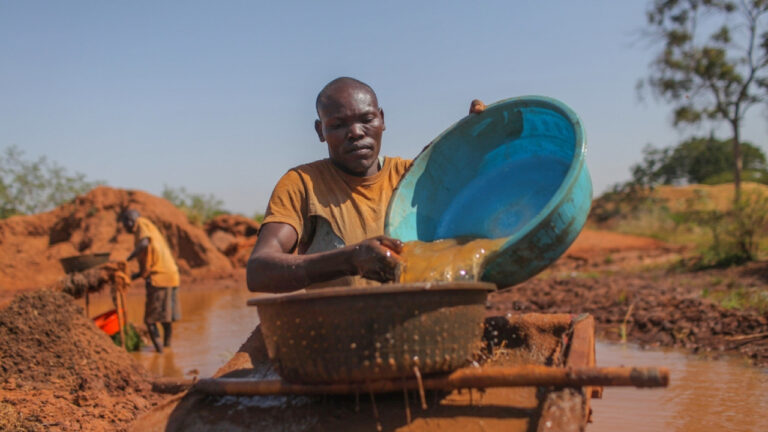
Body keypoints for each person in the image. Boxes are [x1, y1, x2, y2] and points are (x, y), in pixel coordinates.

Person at [247, 77, 485, 292]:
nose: (355, 133)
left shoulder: (411, 177)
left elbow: (472, 201)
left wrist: (471, 136)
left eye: (367, 119)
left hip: (414, 325)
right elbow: (259, 272)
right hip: (337, 332)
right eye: (338, 125)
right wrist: (349, 260)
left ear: (382, 119)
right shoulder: (303, 185)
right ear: (321, 130)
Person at [120, 209, 181, 353]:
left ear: (130, 220)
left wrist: (126, 260)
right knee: (166, 319)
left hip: (159, 278)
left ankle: (160, 352)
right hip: (171, 275)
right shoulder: (150, 226)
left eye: (125, 224)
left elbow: (144, 244)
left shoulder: (140, 224)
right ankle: (167, 349)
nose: (125, 228)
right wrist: (131, 277)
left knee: (150, 320)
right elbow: (147, 264)